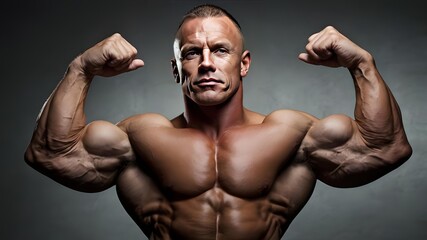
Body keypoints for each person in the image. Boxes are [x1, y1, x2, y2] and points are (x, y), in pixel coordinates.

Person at [25, 4, 412, 240]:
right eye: (192, 53)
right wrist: (80, 69)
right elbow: (49, 154)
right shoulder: (140, 139)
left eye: (220, 50)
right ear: (177, 70)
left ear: (243, 64)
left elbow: (385, 148)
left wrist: (362, 64)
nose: (207, 62)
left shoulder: (289, 134)